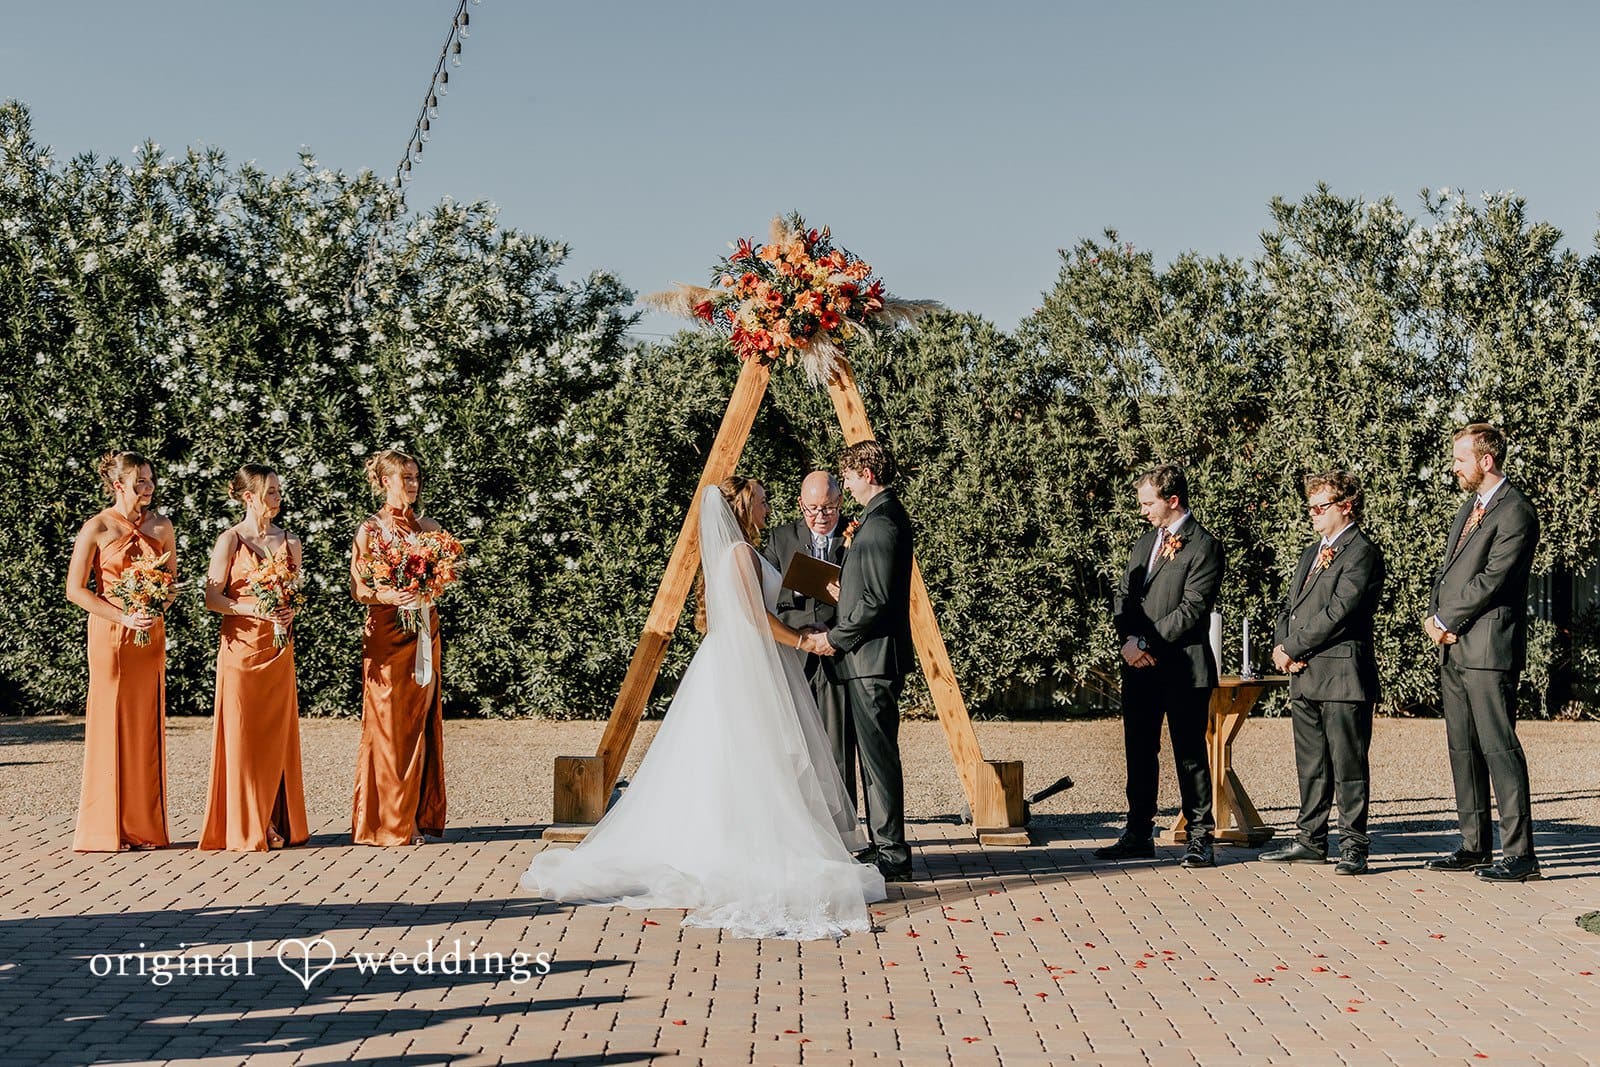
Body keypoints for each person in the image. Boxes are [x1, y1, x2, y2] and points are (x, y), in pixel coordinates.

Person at [522, 477, 885, 939]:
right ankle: (736, 847)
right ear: (742, 506)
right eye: (761, 499)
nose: (768, 507)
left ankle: (740, 837)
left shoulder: (743, 551)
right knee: (746, 755)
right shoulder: (738, 554)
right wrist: (802, 641)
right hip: (743, 666)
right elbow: (755, 616)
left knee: (743, 758)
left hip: (743, 662)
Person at [1423, 424, 1541, 883]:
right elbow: (1449, 571)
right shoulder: (1468, 509)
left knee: (1498, 747)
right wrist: (1436, 616)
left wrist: (1448, 619)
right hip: (1454, 647)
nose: (1454, 467)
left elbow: (1493, 580)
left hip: (1488, 647)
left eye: (1460, 459)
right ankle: (1474, 844)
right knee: (1463, 748)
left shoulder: (1516, 513)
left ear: (1486, 460)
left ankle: (1521, 854)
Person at [1099, 464, 1224, 868]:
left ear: (1173, 501)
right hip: (1140, 667)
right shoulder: (1145, 542)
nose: (1143, 511)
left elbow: (1192, 608)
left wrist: (1147, 641)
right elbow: (1123, 595)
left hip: (1183, 667)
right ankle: (1138, 832)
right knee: (1139, 750)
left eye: (1148, 503)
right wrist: (1128, 642)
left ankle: (1200, 835)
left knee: (1189, 753)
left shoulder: (1204, 546)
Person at [1263, 470, 1385, 875]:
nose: (1313, 514)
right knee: (1310, 764)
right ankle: (1310, 839)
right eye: (1310, 507)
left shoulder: (1362, 553)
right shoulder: (1310, 553)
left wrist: (1294, 647)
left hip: (1343, 676)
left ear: (1345, 506)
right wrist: (1283, 648)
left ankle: (1354, 844)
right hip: (1305, 673)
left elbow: (1341, 612)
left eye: (1320, 506)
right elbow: (1290, 607)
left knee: (1349, 764)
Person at [806, 441, 915, 883]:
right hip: (865, 660)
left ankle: (893, 854)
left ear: (867, 472)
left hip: (871, 660)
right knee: (873, 759)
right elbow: (865, 589)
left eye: (848, 476)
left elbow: (876, 600)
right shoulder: (875, 520)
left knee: (878, 759)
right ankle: (883, 846)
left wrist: (836, 637)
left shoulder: (883, 523)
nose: (845, 484)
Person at [66, 451, 176, 852]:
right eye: (140, 482)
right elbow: (75, 590)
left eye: (150, 481)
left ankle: (143, 827)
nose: (148, 489)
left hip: (149, 637)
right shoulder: (96, 527)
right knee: (110, 723)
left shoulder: (162, 526)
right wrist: (123, 617)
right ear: (118, 486)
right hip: (111, 636)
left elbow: (171, 584)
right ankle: (105, 828)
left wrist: (155, 608)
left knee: (145, 724)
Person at [199, 464, 310, 852]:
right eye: (271, 492)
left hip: (279, 648)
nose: (278, 499)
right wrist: (252, 609)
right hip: (241, 649)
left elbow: (294, 592)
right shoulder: (229, 540)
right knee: (244, 735)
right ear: (249, 496)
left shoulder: (290, 541)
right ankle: (250, 823)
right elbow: (213, 599)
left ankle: (274, 818)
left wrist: (291, 609)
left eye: (279, 491)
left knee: (274, 736)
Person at [350, 449, 447, 846]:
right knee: (388, 724)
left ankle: (418, 817)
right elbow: (360, 589)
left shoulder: (430, 527)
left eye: (415, 477)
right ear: (383, 482)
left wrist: (430, 586)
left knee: (421, 720)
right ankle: (388, 822)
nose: (412, 484)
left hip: (424, 630)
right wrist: (390, 596)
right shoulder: (370, 530)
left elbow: (443, 575)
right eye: (404, 477)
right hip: (388, 635)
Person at [762, 471, 857, 808]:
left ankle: (843, 824)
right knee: (791, 742)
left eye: (828, 509)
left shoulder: (858, 534)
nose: (820, 516)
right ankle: (799, 818)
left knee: (838, 744)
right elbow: (766, 601)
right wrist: (800, 634)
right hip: (794, 653)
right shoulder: (780, 538)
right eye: (812, 508)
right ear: (800, 504)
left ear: (840, 502)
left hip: (838, 653)